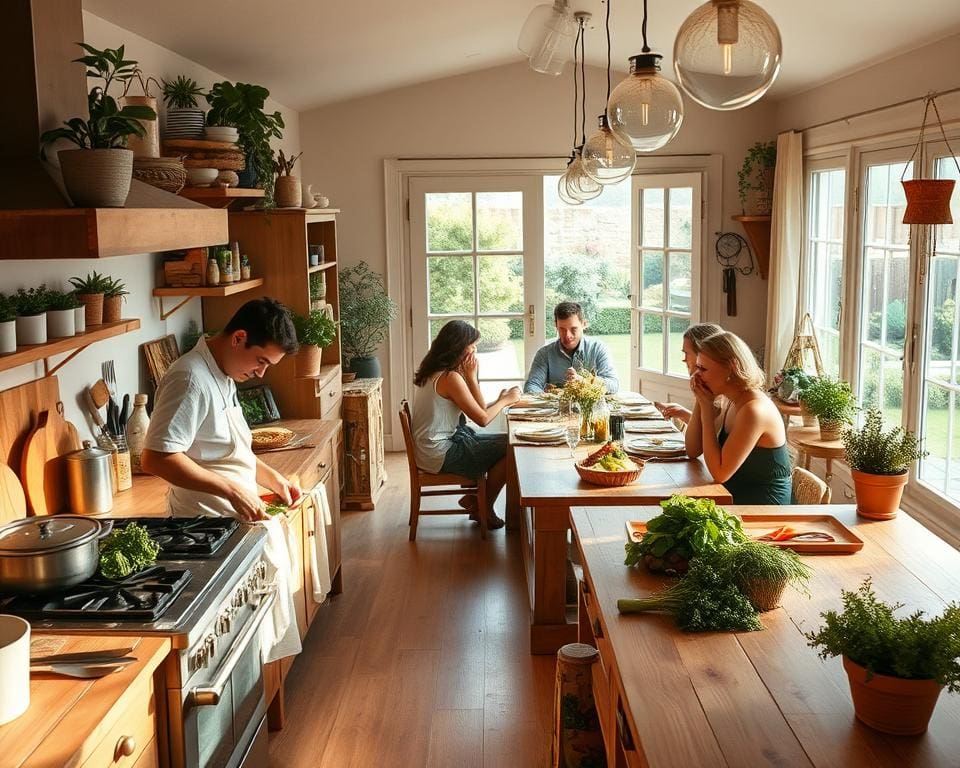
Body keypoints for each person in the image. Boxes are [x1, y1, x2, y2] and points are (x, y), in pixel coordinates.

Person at [141, 298, 303, 520]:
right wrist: (232, 491)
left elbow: (227, 454)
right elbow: (156, 459)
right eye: (260, 361)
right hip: (205, 526)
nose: (261, 373)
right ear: (238, 338)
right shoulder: (189, 378)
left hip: (236, 519)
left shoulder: (224, 372)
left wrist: (275, 480)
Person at [411, 320, 521, 529]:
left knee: (504, 443)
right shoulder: (450, 378)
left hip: (430, 449)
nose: (475, 350)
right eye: (472, 345)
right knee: (512, 448)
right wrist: (506, 401)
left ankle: (475, 499)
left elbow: (479, 409)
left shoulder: (435, 371)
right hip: (439, 453)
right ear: (459, 347)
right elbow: (483, 419)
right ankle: (484, 507)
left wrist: (472, 378)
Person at [684, 331, 791, 505]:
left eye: (703, 369)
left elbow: (719, 473)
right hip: (733, 497)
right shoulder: (730, 399)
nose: (696, 375)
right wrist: (701, 399)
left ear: (731, 367)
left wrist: (706, 408)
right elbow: (693, 449)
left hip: (764, 509)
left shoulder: (754, 410)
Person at [523, 302, 619, 394]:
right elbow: (531, 386)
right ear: (556, 326)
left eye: (573, 329)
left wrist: (585, 382)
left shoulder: (598, 348)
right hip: (556, 408)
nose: (568, 335)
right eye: (562, 329)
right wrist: (549, 399)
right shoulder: (544, 354)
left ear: (584, 324)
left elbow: (613, 385)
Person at [655, 322, 724, 424]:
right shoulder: (703, 385)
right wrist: (682, 413)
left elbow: (708, 434)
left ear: (701, 354)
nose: (684, 360)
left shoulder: (718, 394)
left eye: (686, 353)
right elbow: (704, 427)